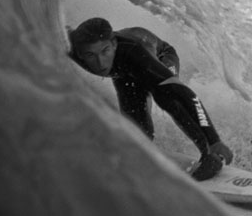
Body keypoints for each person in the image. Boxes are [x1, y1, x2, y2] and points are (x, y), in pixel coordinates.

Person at [67, 18, 234, 181]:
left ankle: (210, 154)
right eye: (90, 55)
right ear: (80, 53)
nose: (100, 63)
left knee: (166, 96)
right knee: (140, 133)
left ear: (114, 45)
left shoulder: (137, 56)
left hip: (160, 57)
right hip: (124, 72)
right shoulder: (72, 47)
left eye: (105, 51)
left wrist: (214, 140)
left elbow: (187, 95)